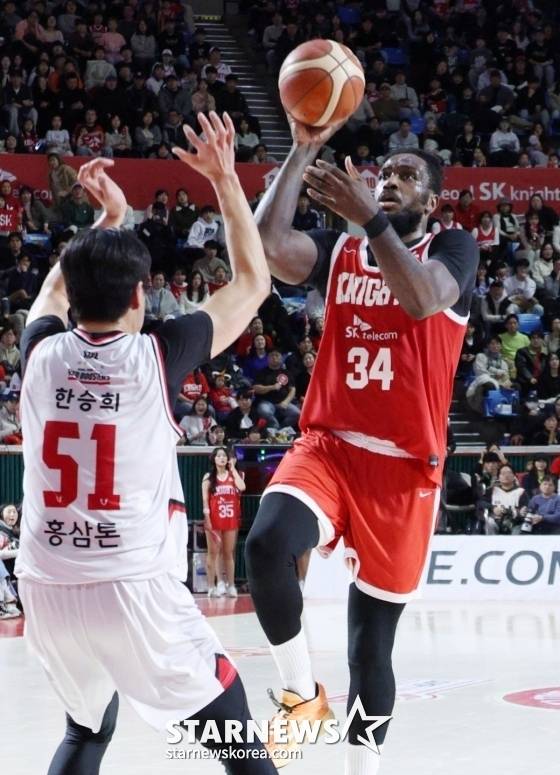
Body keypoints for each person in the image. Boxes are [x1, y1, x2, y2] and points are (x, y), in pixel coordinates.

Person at [15, 111, 276, 774]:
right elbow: (253, 284)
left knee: (86, 729)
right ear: (139, 297)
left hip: (44, 581)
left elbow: (51, 292)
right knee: (229, 714)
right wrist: (222, 178)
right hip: (129, 585)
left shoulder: (38, 351)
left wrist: (104, 224)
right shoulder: (156, 356)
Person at [244, 110, 478, 770]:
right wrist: (300, 151)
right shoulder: (342, 250)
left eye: (409, 176)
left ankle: (362, 764)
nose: (392, 181)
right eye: (386, 173)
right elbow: (269, 246)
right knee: (266, 544)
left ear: (431, 200)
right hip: (328, 445)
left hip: (404, 471)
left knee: (369, 648)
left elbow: (421, 301)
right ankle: (300, 695)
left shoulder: (453, 249)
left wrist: (371, 220)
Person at [202, 447, 245, 598]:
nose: (222, 458)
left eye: (224, 456)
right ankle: (211, 586)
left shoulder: (234, 475)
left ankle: (231, 585)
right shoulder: (208, 477)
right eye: (219, 456)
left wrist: (232, 469)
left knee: (228, 553)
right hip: (214, 520)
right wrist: (207, 519)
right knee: (213, 553)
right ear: (214, 459)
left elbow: (242, 487)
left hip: (230, 519)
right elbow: (205, 501)